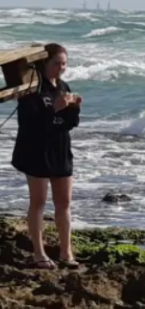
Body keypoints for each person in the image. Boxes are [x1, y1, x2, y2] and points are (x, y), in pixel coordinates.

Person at [11, 43, 82, 270]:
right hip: (36, 150)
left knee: (64, 203)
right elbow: (29, 124)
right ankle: (39, 254)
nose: (61, 68)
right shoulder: (32, 88)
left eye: (64, 63)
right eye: (56, 63)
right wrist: (55, 109)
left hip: (60, 149)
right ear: (44, 63)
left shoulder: (63, 86)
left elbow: (71, 124)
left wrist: (74, 108)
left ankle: (66, 252)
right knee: (38, 202)